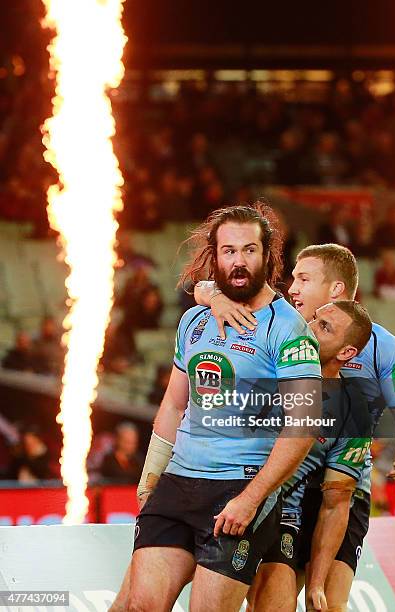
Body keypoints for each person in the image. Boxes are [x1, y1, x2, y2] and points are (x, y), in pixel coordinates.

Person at [112, 203, 322, 612]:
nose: (239, 261)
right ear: (215, 255)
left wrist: (252, 497)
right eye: (229, 251)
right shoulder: (194, 320)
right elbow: (174, 404)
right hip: (179, 482)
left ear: (267, 255)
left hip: (238, 486)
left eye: (249, 250)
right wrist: (154, 471)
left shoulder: (287, 328)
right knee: (140, 606)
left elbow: (303, 425)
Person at [195, 242, 395, 609]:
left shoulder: (385, 347)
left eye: (303, 279)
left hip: (343, 486)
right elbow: (206, 288)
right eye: (293, 279)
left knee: (326, 602)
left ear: (334, 289)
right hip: (284, 481)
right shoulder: (284, 327)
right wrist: (215, 297)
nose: (292, 288)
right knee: (271, 597)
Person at [247, 300, 373, 612]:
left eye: (324, 327)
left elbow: (337, 503)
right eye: (314, 319)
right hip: (225, 499)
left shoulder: (353, 411)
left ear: (346, 353)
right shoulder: (270, 356)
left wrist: (317, 583)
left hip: (283, 514)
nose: (309, 327)